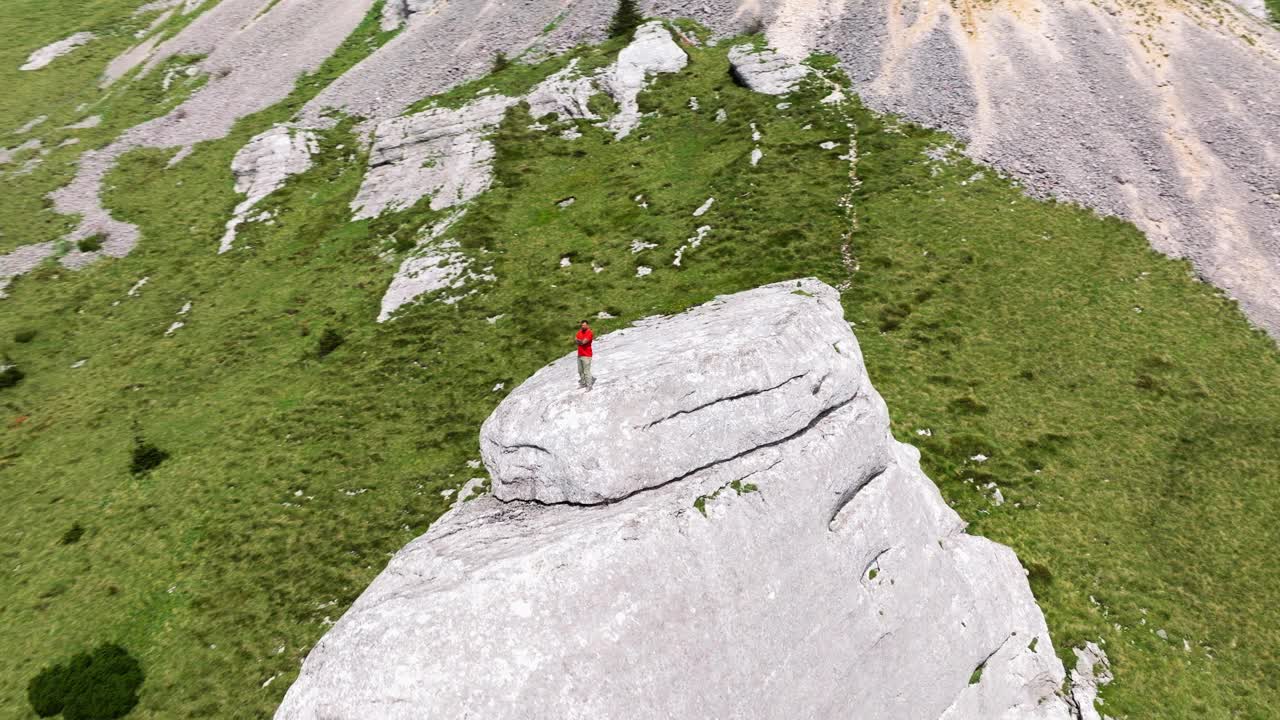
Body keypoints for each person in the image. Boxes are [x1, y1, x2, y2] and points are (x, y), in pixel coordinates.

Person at [575, 320, 595, 390]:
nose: (583, 326)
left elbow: (583, 342)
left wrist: (580, 341)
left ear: (587, 325)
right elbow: (576, 340)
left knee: (586, 371)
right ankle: (583, 383)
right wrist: (579, 341)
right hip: (580, 354)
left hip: (587, 355)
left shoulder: (589, 332)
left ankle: (589, 386)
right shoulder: (579, 332)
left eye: (584, 325)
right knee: (580, 371)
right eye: (582, 325)